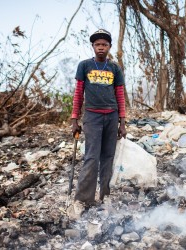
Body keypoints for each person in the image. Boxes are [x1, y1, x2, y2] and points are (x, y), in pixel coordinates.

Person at [68, 29, 127, 220]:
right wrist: (74, 119)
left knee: (108, 157)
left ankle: (105, 196)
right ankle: (83, 199)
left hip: (111, 116)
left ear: (109, 47)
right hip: (92, 117)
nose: (101, 48)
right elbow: (78, 94)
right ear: (93, 47)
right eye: (97, 45)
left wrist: (122, 122)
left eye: (104, 45)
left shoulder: (114, 68)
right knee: (91, 157)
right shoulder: (84, 66)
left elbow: (120, 95)